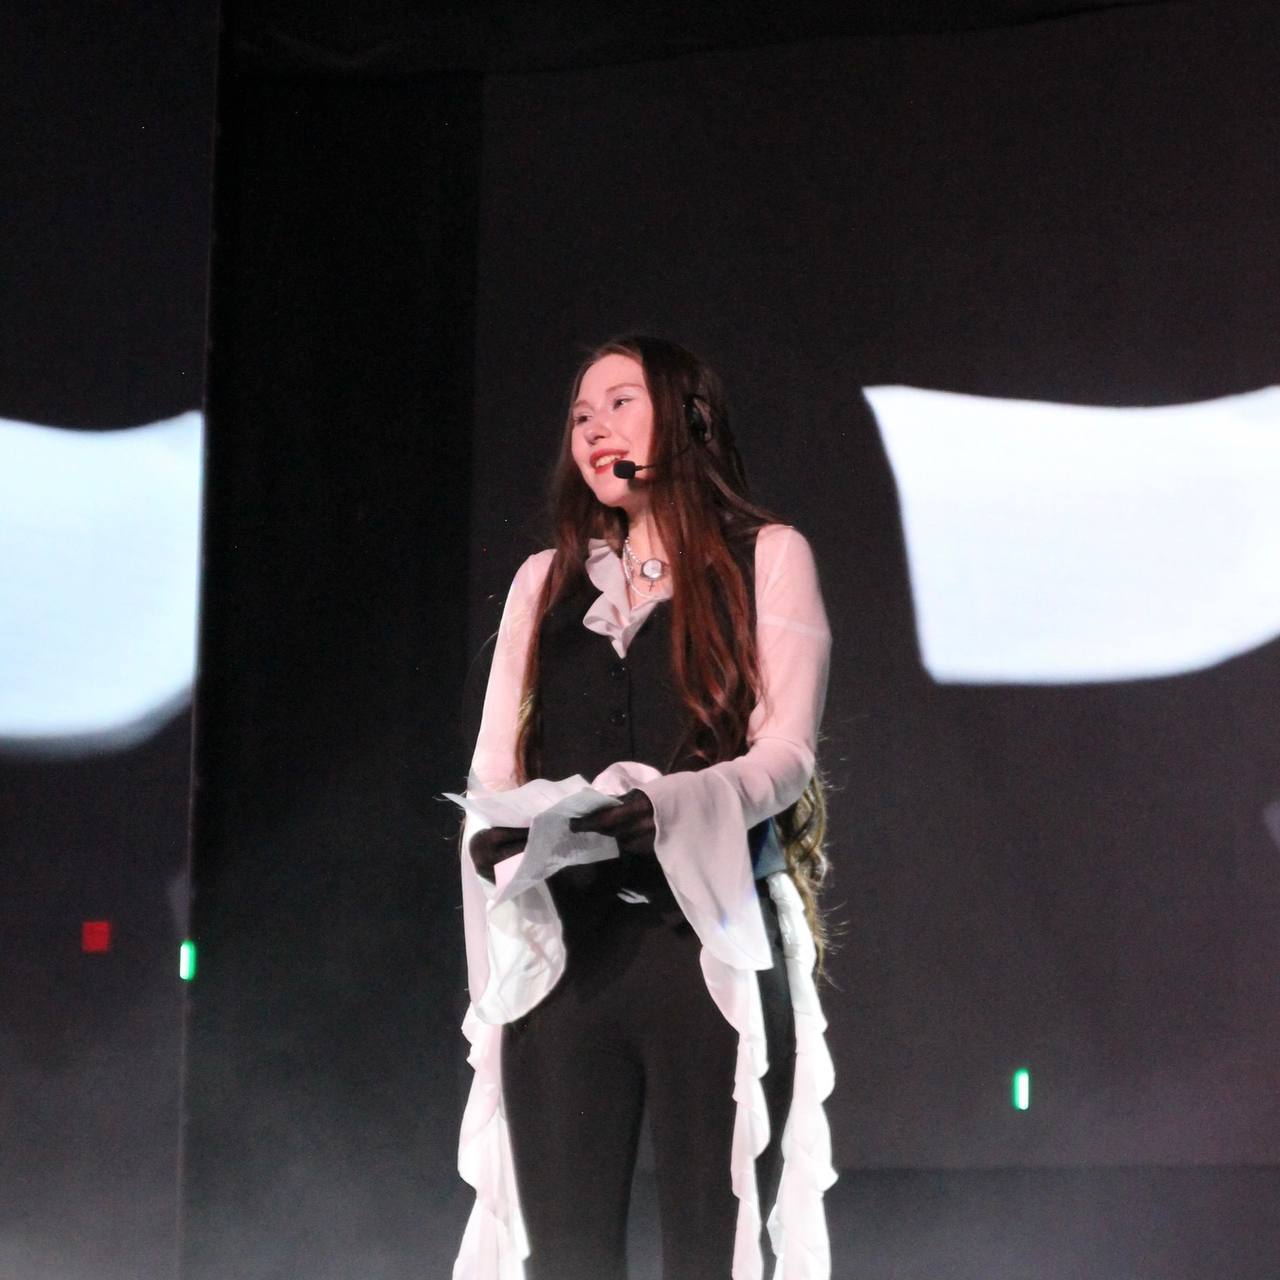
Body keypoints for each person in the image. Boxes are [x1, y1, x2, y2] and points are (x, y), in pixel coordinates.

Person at [453, 335, 836, 1280]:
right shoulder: (544, 582)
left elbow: (786, 756)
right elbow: (494, 766)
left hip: (703, 943)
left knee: (713, 1248)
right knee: (565, 1258)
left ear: (689, 416)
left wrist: (671, 806)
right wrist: (499, 836)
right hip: (566, 956)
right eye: (581, 414)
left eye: (621, 403)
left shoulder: (766, 557)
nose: (595, 429)